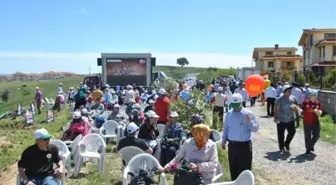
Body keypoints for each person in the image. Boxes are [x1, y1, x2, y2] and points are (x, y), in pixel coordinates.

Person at [222, 93, 259, 181]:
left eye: (237, 105)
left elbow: (255, 129)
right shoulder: (229, 114)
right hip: (232, 146)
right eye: (233, 105)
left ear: (241, 103)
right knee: (233, 168)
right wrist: (223, 140)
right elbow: (226, 128)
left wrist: (250, 122)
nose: (235, 108)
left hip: (244, 146)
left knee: (244, 170)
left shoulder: (248, 113)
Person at [274, 85, 301, 152]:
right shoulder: (279, 99)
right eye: (288, 91)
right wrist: (276, 118)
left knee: (292, 132)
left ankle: (287, 143)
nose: (290, 92)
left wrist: (297, 121)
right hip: (281, 120)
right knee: (281, 134)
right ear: (284, 92)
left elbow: (297, 109)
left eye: (290, 90)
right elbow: (276, 109)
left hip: (290, 119)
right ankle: (281, 147)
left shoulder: (293, 98)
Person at [301, 90, 322, 154]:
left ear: (315, 96)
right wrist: (298, 110)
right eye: (310, 95)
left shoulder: (318, 103)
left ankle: (310, 146)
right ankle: (308, 149)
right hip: (307, 122)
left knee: (317, 135)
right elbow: (301, 110)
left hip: (315, 122)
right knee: (308, 136)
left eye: (313, 95)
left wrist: (319, 112)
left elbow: (320, 111)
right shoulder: (305, 102)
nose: (311, 96)